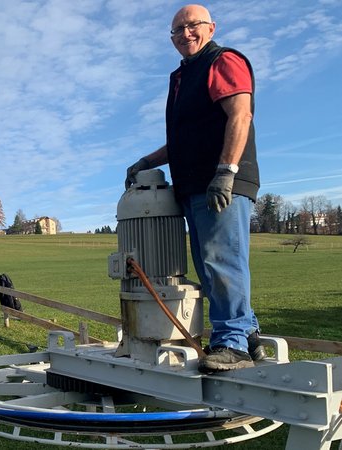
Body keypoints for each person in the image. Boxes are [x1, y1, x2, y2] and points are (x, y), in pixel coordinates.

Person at [125, 4, 261, 374]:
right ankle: (247, 333)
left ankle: (232, 343)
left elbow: (241, 114)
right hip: (194, 186)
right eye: (177, 30)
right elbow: (183, 141)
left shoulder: (222, 61)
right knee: (208, 264)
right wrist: (145, 162)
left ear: (211, 28)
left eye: (192, 26)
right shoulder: (184, 76)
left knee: (222, 261)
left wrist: (226, 172)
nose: (185, 34)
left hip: (221, 183)